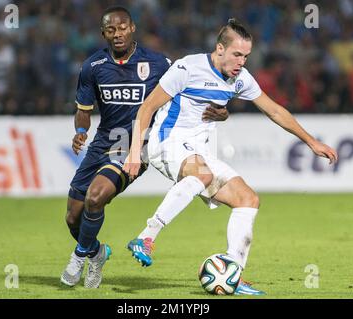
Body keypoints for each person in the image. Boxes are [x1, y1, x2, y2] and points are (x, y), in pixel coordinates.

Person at [123, 19, 338, 295]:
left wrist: (311, 141)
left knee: (248, 199)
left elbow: (274, 110)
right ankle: (146, 237)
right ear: (219, 48)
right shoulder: (187, 68)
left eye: (246, 56)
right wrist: (132, 152)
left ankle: (233, 274)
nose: (241, 62)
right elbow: (147, 108)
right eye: (237, 54)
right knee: (203, 175)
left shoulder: (240, 79)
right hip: (167, 142)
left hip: (199, 150)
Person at [60, 7, 229, 288]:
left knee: (95, 197)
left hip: (135, 146)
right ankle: (96, 252)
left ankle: (79, 257)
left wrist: (221, 110)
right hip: (102, 142)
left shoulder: (158, 63)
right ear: (103, 33)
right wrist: (80, 130)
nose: (118, 34)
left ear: (132, 28)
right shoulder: (92, 66)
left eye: (123, 27)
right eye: (111, 30)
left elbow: (191, 87)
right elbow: (83, 109)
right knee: (73, 217)